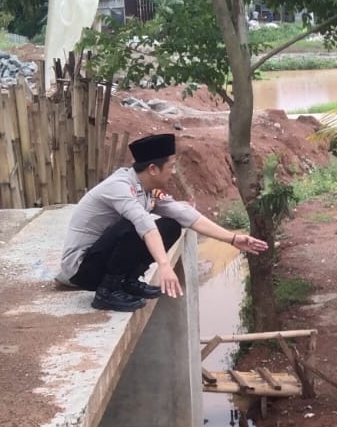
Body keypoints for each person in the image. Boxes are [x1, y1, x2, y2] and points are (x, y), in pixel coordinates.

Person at [58, 132, 268, 312]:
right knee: (132, 224)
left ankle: (128, 280)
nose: (173, 172)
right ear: (153, 169)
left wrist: (232, 238)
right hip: (82, 269)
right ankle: (107, 292)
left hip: (101, 260)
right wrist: (164, 265)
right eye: (171, 166)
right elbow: (145, 226)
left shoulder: (146, 189)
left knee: (171, 226)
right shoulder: (120, 187)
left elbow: (185, 214)